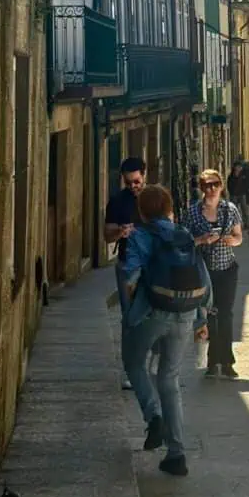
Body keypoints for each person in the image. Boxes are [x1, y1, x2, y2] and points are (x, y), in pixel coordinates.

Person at [119, 184, 211, 477]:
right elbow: (204, 280)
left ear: (142, 211)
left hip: (151, 312)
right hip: (184, 313)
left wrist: (129, 305)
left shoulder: (139, 236)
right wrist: (201, 317)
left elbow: (131, 276)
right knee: (169, 378)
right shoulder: (183, 234)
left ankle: (152, 415)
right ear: (169, 208)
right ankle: (176, 454)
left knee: (134, 364)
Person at [186, 169, 244, 379]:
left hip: (227, 269)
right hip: (203, 272)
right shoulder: (192, 212)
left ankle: (226, 362)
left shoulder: (230, 209)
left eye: (214, 184)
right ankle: (212, 361)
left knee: (226, 315)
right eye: (206, 185)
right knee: (209, 316)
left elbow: (239, 237)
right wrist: (202, 239)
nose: (211, 189)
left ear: (221, 186)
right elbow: (184, 243)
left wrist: (232, 240)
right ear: (201, 188)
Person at [104, 157, 146, 389]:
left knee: (153, 315)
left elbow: (170, 224)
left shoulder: (155, 197)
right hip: (127, 267)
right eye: (129, 182)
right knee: (130, 318)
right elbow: (106, 234)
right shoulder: (118, 201)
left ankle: (147, 364)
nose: (133, 186)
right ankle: (131, 369)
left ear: (144, 175)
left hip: (152, 264)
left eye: (137, 181)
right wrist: (121, 231)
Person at [227, 161, 249, 229]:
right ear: (234, 167)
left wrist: (245, 191)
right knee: (234, 210)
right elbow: (229, 185)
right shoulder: (231, 176)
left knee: (245, 210)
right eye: (238, 167)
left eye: (240, 167)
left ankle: (247, 224)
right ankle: (235, 225)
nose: (239, 168)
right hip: (234, 195)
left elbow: (247, 184)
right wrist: (231, 192)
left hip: (242, 194)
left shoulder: (243, 175)